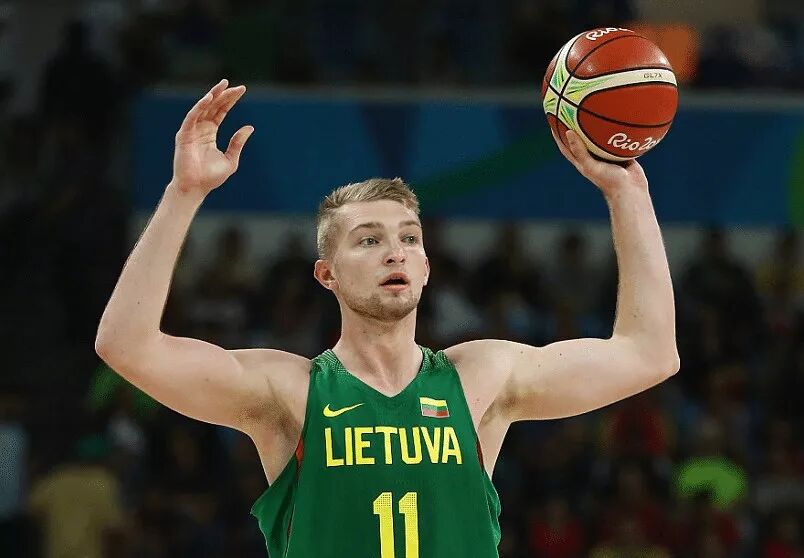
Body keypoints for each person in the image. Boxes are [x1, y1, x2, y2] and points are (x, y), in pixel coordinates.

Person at [95, 79, 680, 557]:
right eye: (369, 240)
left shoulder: (480, 378)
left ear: (426, 267)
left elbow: (649, 354)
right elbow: (125, 345)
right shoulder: (289, 391)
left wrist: (627, 194)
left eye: (409, 238)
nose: (395, 252)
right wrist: (184, 193)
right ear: (327, 274)